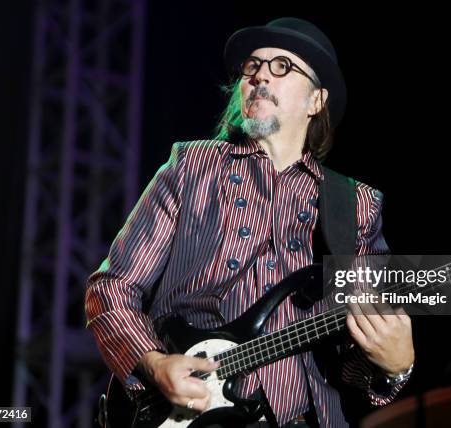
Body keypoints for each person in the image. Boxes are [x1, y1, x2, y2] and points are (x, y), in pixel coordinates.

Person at [85, 17, 414, 428]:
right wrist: (153, 363)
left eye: (281, 67)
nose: (260, 74)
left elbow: (350, 360)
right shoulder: (191, 167)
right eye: (253, 66)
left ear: (316, 101)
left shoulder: (356, 206)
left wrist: (393, 365)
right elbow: (113, 288)